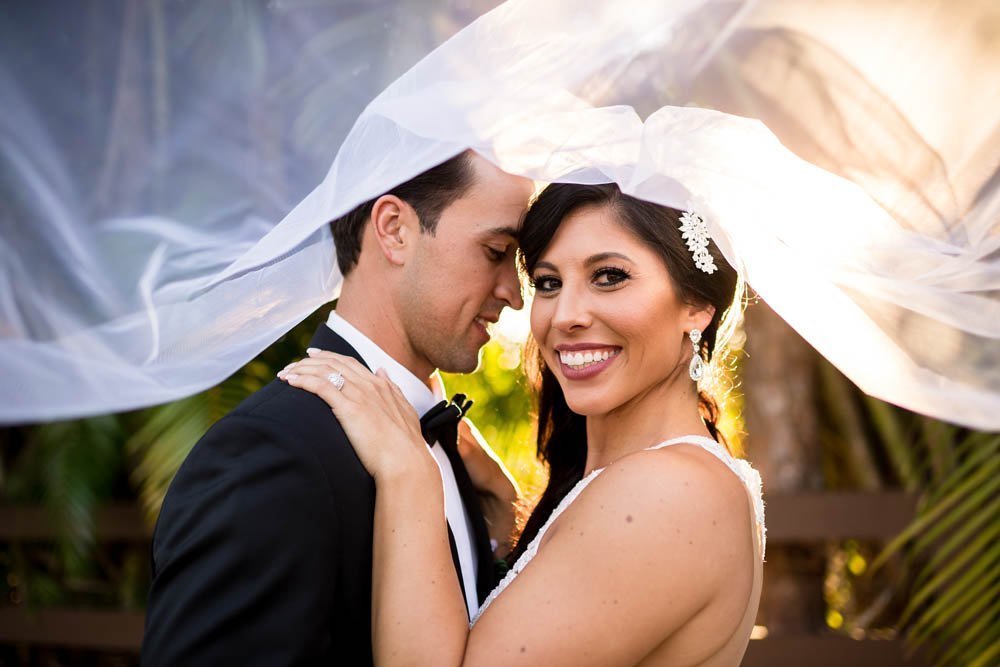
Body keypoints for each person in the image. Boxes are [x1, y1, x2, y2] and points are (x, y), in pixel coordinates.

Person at [281, 182, 766, 666]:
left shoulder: (669, 493)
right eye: (549, 283)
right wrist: (499, 502)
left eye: (610, 276)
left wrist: (409, 475)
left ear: (697, 305)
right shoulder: (652, 480)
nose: (565, 316)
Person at [141, 150, 533, 666]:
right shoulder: (274, 452)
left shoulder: (450, 447)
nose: (515, 294)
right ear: (394, 229)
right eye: (495, 251)